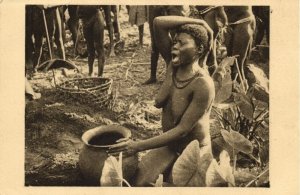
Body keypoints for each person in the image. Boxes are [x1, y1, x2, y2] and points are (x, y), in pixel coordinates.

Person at [108, 16, 215, 186]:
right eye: (175, 42)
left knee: (171, 186)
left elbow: (182, 130)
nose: (175, 45)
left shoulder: (202, 84)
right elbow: (158, 22)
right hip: (171, 146)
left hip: (194, 151)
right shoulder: (172, 65)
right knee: (136, 183)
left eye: (182, 43)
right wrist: (200, 22)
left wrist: (138, 146)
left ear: (199, 49)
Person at [143, 6, 184, 85]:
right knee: (155, 41)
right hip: (155, 6)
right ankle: (153, 76)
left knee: (176, 40)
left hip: (173, 5)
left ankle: (172, 76)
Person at [224, 6, 256, 82]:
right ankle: (233, 86)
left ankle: (241, 89)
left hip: (244, 19)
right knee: (230, 61)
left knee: (237, 64)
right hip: (227, 21)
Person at [77, 5, 105, 76]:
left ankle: (100, 75)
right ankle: (90, 73)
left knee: (99, 47)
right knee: (90, 48)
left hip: (96, 15)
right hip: (85, 18)